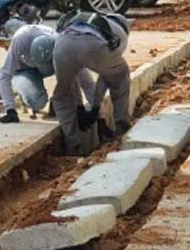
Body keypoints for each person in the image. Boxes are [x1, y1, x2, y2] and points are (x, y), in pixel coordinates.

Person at [51, 11, 131, 155]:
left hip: (62, 45)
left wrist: (79, 106)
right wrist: (95, 107)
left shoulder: (90, 19)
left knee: (62, 94)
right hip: (92, 45)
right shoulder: (121, 34)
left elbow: (75, 74)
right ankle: (121, 127)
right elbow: (106, 77)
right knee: (121, 76)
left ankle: (73, 146)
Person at [0, 23, 94, 123]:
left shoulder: (62, 46)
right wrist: (10, 109)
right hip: (25, 70)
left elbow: (86, 81)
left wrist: (94, 110)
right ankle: (18, 91)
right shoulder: (20, 41)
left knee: (70, 97)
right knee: (36, 102)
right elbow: (4, 76)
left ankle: (56, 101)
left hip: (54, 63)